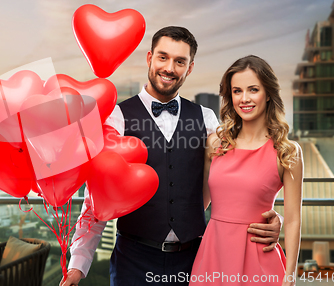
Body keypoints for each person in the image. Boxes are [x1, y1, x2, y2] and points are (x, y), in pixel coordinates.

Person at [60, 27, 282, 286]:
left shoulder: (207, 119)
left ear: (190, 68)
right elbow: (96, 199)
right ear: (149, 58)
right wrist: (78, 265)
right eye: (163, 57)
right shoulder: (116, 117)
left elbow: (242, 176)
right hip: (133, 261)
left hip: (195, 261)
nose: (169, 68)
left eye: (180, 61)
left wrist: (270, 215)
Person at [190, 55, 303, 285]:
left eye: (253, 89)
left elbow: (293, 220)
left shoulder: (287, 152)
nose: (244, 98)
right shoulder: (215, 144)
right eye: (237, 91)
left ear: (268, 93)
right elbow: (199, 204)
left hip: (260, 263)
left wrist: (290, 278)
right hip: (213, 258)